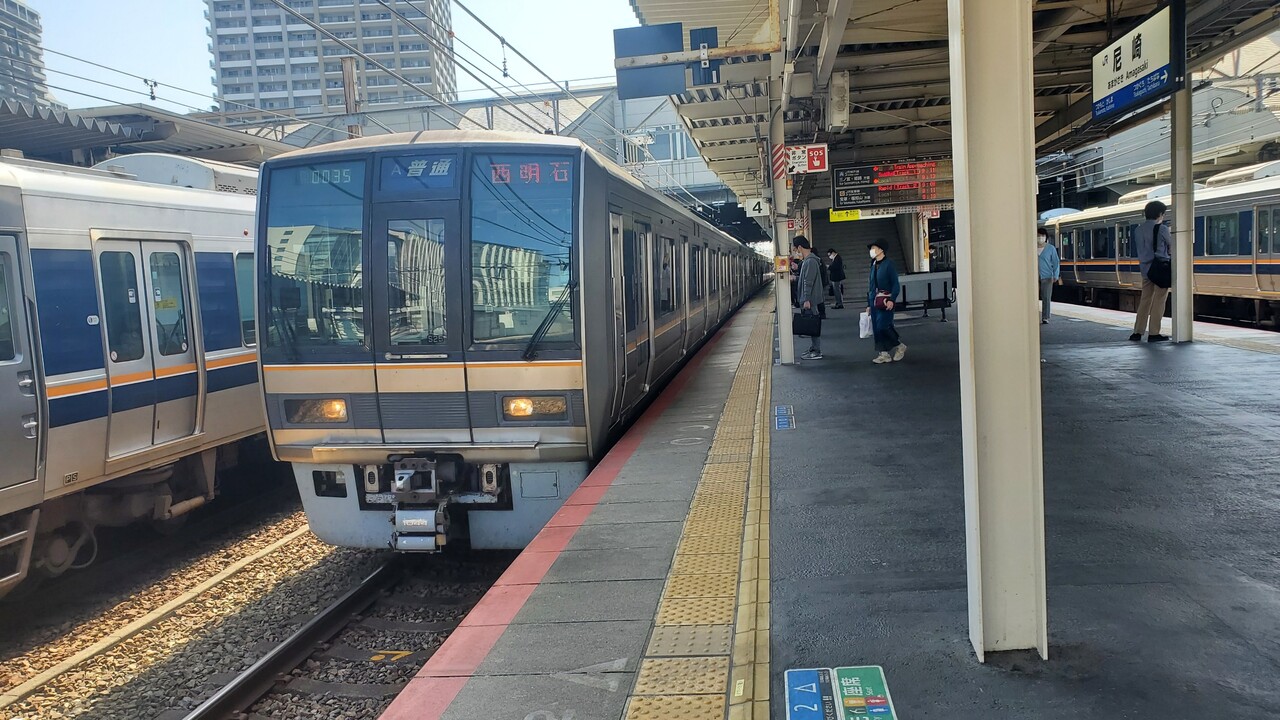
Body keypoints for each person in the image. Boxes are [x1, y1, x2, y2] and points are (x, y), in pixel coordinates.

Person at [1132, 200, 1172, 342]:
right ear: (1160, 214)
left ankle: (1137, 332)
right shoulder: (1162, 229)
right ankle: (1154, 333)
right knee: (1159, 301)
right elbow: (1172, 246)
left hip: (1145, 269)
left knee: (1145, 300)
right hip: (1160, 269)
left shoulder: (1138, 230)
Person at [867, 241, 905, 364]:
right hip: (874, 300)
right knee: (877, 328)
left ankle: (899, 345)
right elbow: (871, 285)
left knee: (883, 325)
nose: (872, 250)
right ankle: (883, 354)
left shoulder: (889, 264)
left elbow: (895, 284)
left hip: (885, 300)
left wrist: (892, 299)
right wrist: (868, 304)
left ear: (881, 250)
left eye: (874, 248)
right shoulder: (873, 264)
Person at [793, 236, 823, 360]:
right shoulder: (809, 260)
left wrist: (806, 299)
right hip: (810, 298)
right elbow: (805, 279)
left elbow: (808, 282)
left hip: (811, 299)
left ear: (800, 247)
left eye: (796, 249)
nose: (796, 251)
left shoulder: (810, 261)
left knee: (813, 324)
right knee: (812, 323)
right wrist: (795, 278)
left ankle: (816, 351)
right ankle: (814, 348)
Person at [1037, 228, 1060, 324]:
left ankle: (1045, 317)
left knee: (1046, 297)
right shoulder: (1031, 247)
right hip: (1034, 276)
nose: (1040, 238)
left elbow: (1056, 262)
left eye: (1042, 236)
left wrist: (1056, 275)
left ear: (1046, 237)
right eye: (1038, 236)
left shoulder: (1051, 248)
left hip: (1047, 276)